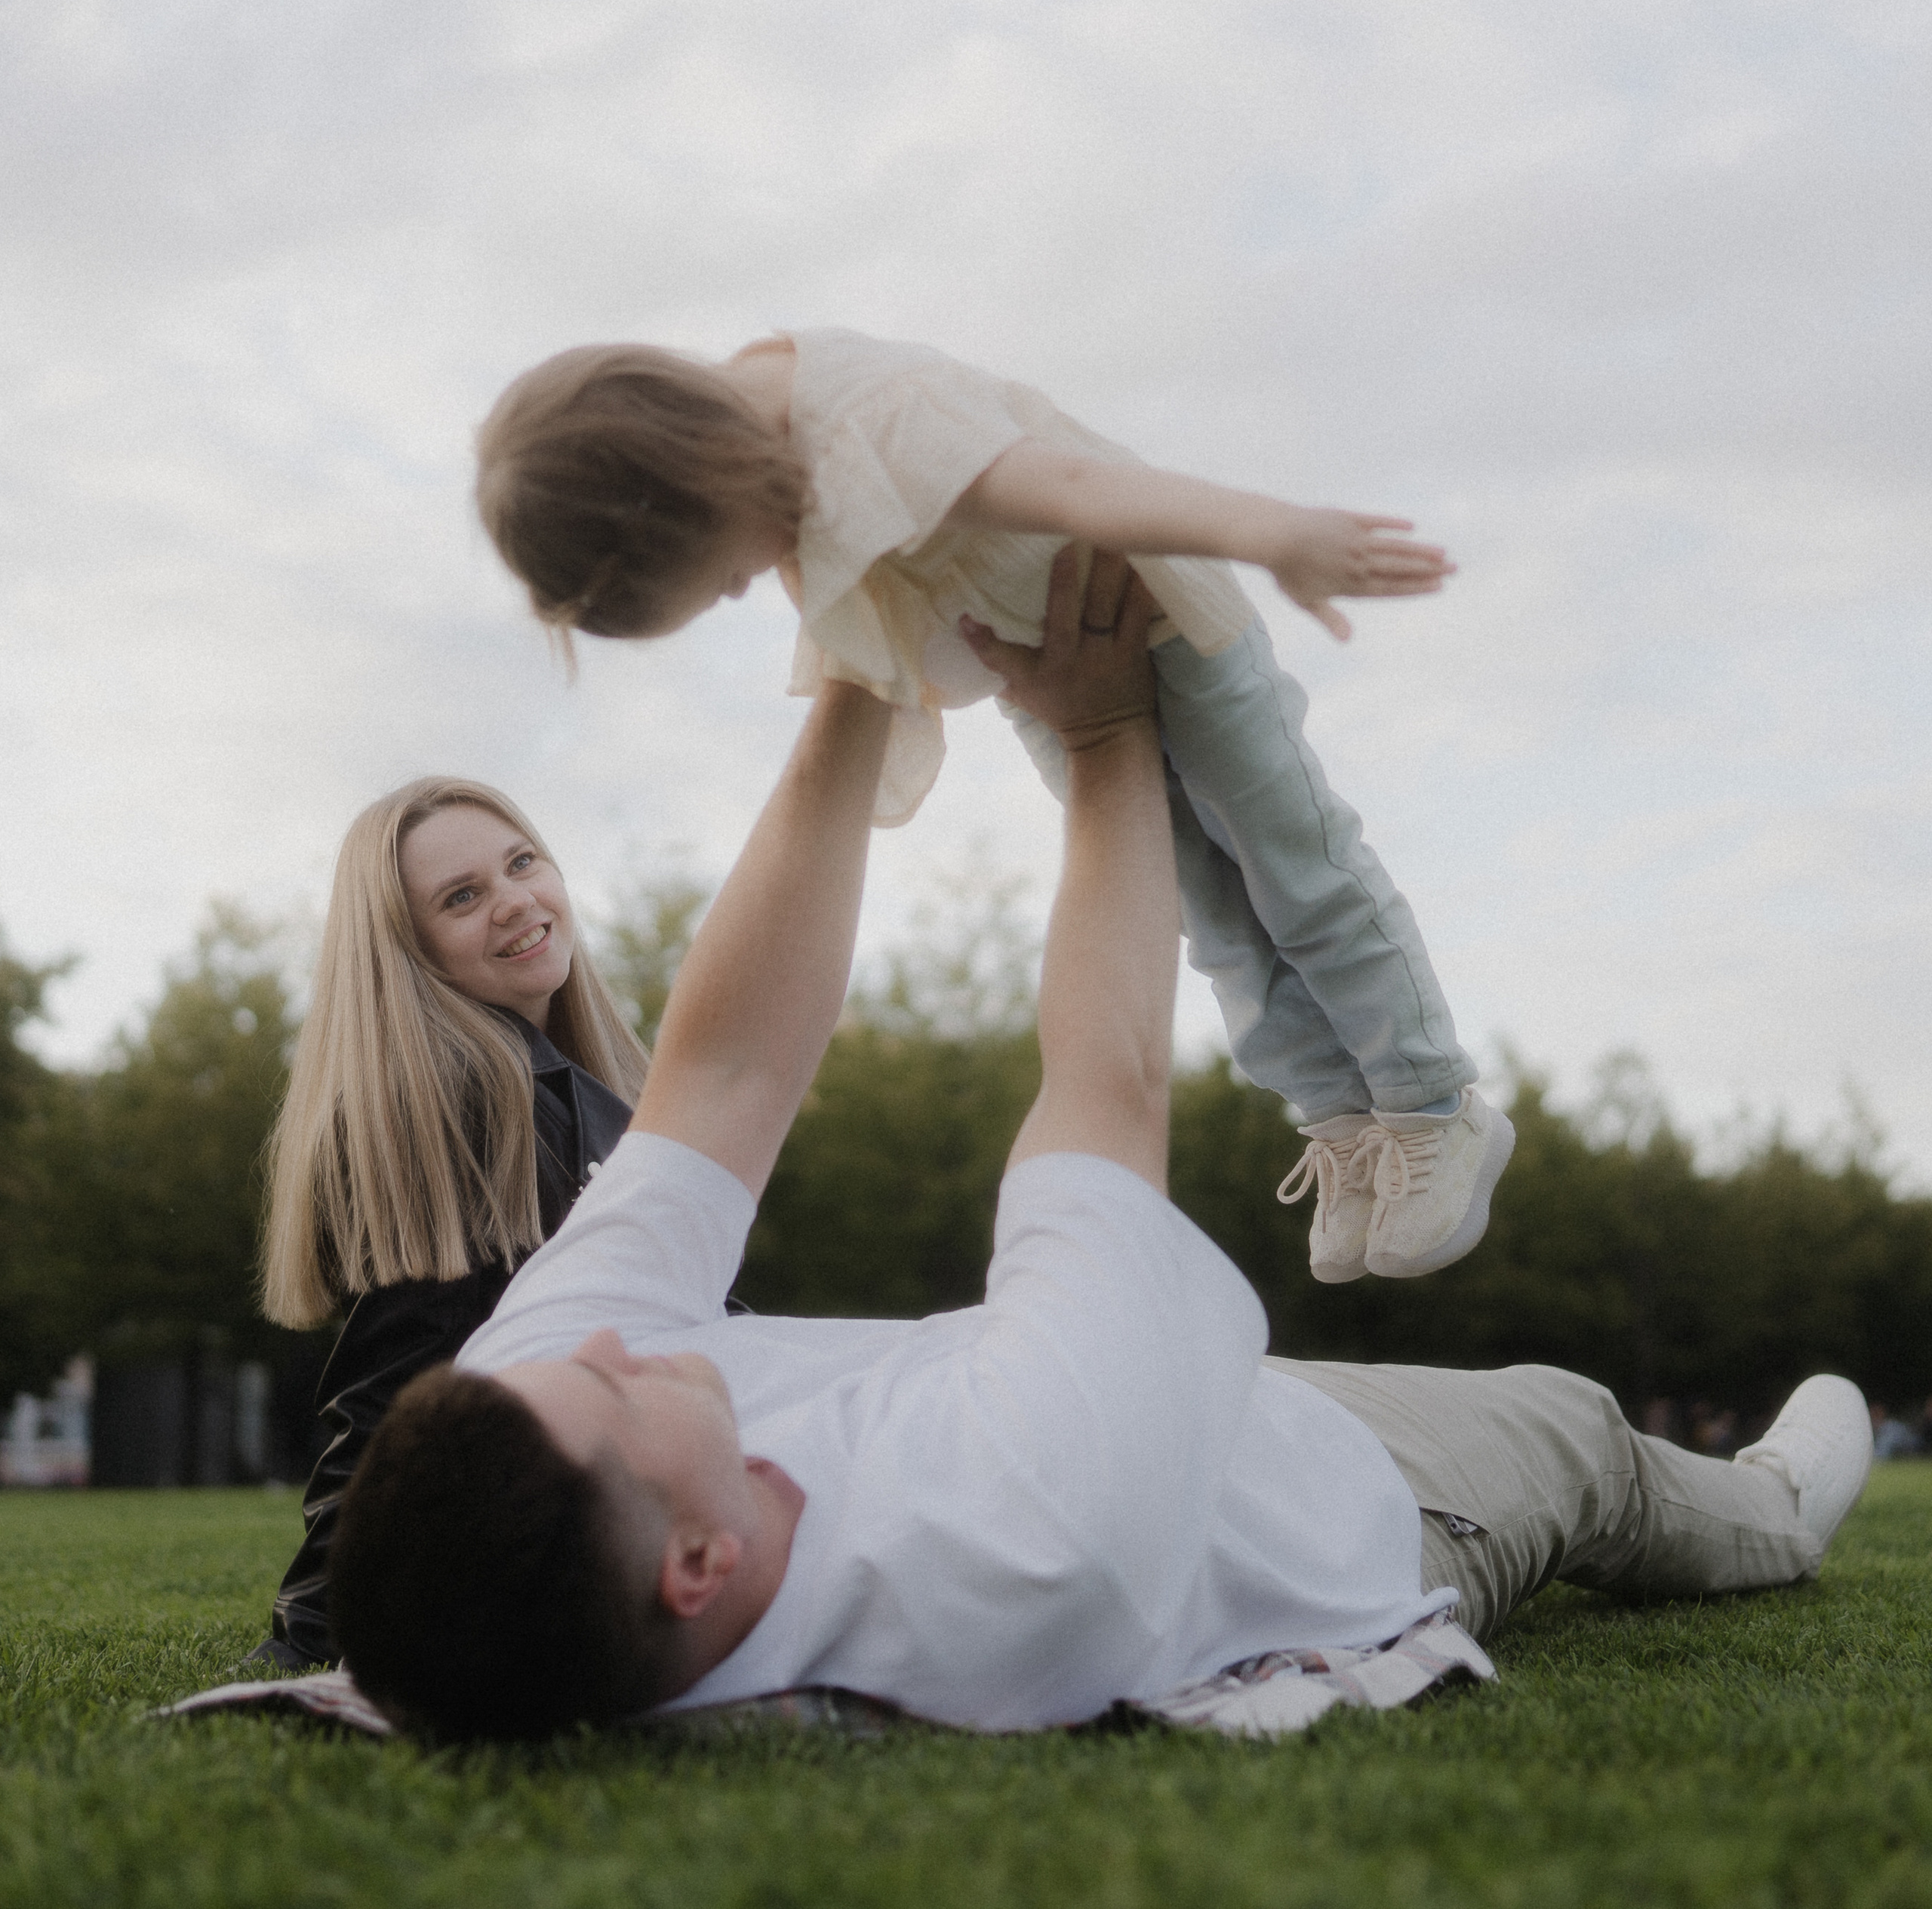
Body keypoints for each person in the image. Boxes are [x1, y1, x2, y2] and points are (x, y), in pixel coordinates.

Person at [328, 553, 1874, 1741]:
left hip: (1079, 1363)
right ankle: (1774, 1506)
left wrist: (867, 672)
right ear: (693, 1568)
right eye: (607, 1378)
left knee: (1090, 1344)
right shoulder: (1017, 1534)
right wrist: (1105, 731)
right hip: (1330, 1497)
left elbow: (720, 1077)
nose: (605, 1337)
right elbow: (1104, 1084)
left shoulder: (539, 1391)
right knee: (1575, 1429)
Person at [472, 329, 1511, 1284]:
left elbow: (1075, 487)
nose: (751, 590)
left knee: (1296, 868)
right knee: (1214, 922)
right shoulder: (757, 449)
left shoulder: (878, 421)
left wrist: (1273, 532)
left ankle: (1429, 1100)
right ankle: (1338, 1116)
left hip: (1165, 628)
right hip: (1045, 674)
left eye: (726, 575)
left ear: (705, 484)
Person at [246, 777, 648, 1668]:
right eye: (462, 897)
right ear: (408, 950)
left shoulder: (590, 1085)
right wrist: (310, 1634)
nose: (514, 902)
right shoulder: (457, 1104)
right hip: (606, 1528)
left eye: (522, 862)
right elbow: (397, 1396)